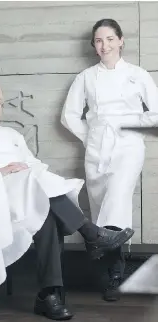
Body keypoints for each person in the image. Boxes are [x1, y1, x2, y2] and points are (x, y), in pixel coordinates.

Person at [0, 81, 134, 320]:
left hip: (25, 197)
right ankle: (90, 236)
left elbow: (32, 165)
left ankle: (50, 294)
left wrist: (24, 171)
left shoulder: (11, 135)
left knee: (45, 211)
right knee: (35, 190)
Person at [61, 18, 158, 302]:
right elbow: (68, 116)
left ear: (121, 40)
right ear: (94, 45)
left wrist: (129, 124)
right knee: (100, 206)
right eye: (99, 41)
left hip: (128, 147)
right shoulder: (86, 77)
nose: (104, 45)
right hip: (96, 149)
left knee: (117, 200)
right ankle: (107, 271)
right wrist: (92, 137)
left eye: (110, 39)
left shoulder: (138, 74)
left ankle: (114, 273)